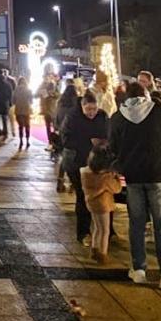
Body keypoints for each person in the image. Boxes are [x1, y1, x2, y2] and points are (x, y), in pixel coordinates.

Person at [108, 81, 161, 290]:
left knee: (136, 224)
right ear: (146, 94)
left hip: (133, 178)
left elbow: (113, 147)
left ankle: (138, 269)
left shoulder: (118, 117)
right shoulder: (160, 112)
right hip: (159, 175)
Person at [61, 91, 108, 246]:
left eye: (94, 109)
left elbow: (108, 134)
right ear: (82, 106)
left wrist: (102, 143)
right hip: (77, 162)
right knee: (83, 196)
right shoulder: (72, 117)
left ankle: (108, 231)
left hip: (98, 163)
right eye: (88, 109)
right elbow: (66, 140)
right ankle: (83, 233)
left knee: (104, 195)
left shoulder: (102, 116)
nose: (91, 113)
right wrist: (88, 142)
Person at [80, 144, 120, 265]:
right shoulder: (105, 177)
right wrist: (116, 178)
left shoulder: (85, 172)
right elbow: (116, 189)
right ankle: (102, 254)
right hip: (103, 205)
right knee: (105, 230)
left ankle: (95, 249)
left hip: (92, 203)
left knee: (97, 228)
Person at [39, 74, 60, 151]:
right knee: (48, 127)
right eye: (45, 78)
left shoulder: (54, 86)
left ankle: (55, 143)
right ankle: (50, 142)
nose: (47, 79)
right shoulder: (42, 86)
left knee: (55, 127)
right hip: (46, 110)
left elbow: (58, 95)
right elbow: (37, 94)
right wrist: (43, 93)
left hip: (53, 110)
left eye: (48, 78)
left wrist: (52, 94)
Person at [13, 76, 34, 150]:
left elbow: (13, 101)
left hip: (18, 110)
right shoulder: (29, 90)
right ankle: (27, 141)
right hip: (26, 110)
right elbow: (31, 101)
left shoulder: (16, 90)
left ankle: (21, 141)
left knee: (20, 126)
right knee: (27, 126)